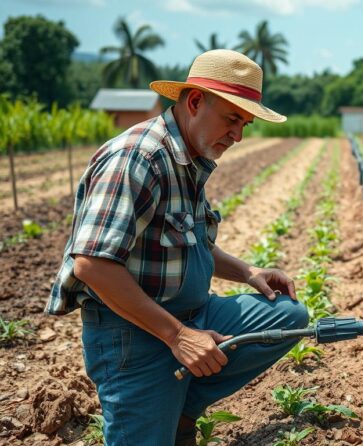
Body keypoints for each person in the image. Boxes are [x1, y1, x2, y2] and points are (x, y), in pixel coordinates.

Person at [47, 49, 308, 445]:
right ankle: (163, 404)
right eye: (232, 119)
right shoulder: (138, 157)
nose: (238, 135)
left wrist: (247, 272)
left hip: (191, 314)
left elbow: (191, 244)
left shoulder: (186, 158)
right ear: (195, 102)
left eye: (246, 123)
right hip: (133, 335)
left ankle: (181, 406)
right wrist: (177, 337)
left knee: (287, 315)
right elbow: (91, 264)